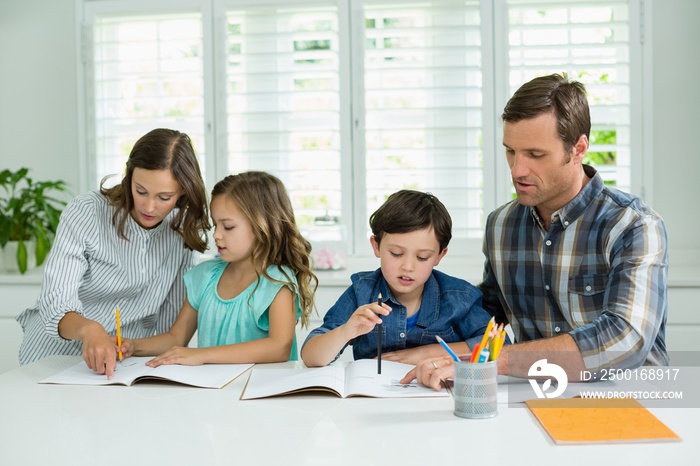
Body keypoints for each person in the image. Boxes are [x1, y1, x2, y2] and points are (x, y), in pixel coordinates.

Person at [404, 73, 669, 390]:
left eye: (535, 154)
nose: (517, 170)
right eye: (510, 151)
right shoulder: (500, 225)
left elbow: (625, 340)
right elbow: (489, 319)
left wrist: (495, 361)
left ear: (578, 148)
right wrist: (413, 337)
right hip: (539, 400)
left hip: (632, 406)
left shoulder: (633, 225)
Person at [16, 128, 211, 378]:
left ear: (183, 190)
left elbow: (169, 329)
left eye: (164, 197)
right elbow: (55, 301)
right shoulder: (87, 210)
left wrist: (137, 351)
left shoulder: (184, 230)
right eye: (140, 191)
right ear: (129, 176)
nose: (149, 207)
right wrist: (90, 330)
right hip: (53, 358)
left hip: (122, 366)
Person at [118, 171, 317, 366]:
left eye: (228, 227)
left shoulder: (277, 282)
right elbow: (176, 338)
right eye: (215, 225)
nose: (216, 235)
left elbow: (279, 348)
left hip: (259, 393)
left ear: (262, 226)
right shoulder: (205, 276)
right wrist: (133, 346)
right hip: (213, 393)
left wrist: (202, 355)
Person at [301, 189, 492, 367]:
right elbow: (310, 356)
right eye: (396, 253)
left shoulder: (459, 297)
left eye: (422, 257)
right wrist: (345, 332)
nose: (408, 267)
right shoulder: (361, 292)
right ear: (376, 246)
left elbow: (494, 346)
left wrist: (423, 354)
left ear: (439, 256)